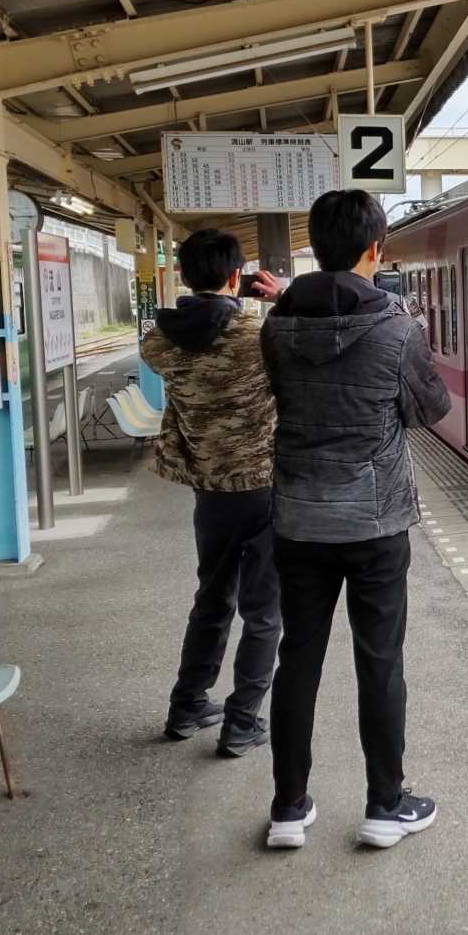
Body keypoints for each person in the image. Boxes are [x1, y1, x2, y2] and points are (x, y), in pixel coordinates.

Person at [259, 189, 449, 850]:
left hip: (298, 518)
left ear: (315, 244)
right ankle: (384, 805)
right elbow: (432, 410)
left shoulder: (275, 326)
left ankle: (288, 808)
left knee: (298, 658)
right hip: (374, 521)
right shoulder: (398, 329)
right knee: (379, 661)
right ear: (376, 248)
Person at [141, 229, 284, 756]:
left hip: (210, 491)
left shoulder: (160, 341)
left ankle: (187, 706)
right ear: (235, 276)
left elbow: (173, 344)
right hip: (266, 485)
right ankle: (241, 721)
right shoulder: (262, 328)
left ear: (182, 276)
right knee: (264, 612)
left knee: (212, 600)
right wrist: (279, 297)